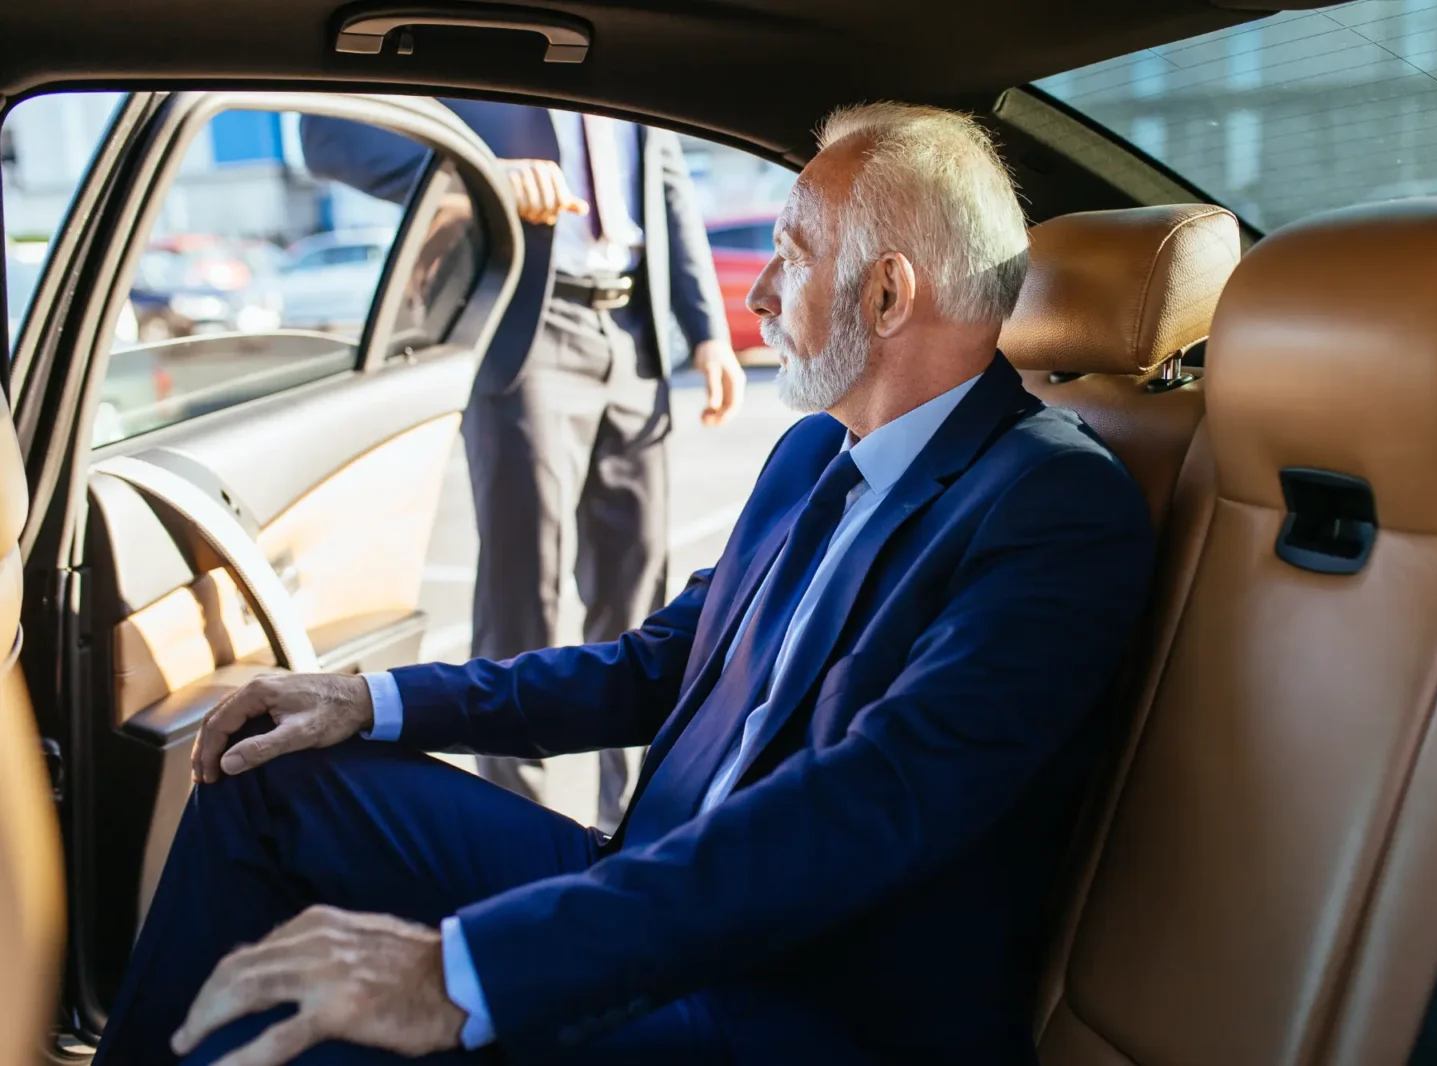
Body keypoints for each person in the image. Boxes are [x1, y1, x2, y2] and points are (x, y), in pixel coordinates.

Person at [95, 102, 1155, 1066]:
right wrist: (371, 701)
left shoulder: (1055, 509)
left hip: (792, 1007)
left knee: (329, 1042)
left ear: (885, 294)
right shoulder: (814, 456)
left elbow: (866, 805)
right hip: (650, 890)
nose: (758, 292)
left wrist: (462, 972)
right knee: (267, 773)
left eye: (789, 254)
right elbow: (652, 666)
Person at [298, 102, 745, 829]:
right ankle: (510, 828)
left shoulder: (630, 50)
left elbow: (664, 182)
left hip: (636, 337)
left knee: (640, 596)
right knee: (523, 597)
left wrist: (708, 330)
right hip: (533, 331)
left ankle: (631, 823)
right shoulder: (474, 42)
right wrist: (482, 177)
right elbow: (326, 135)